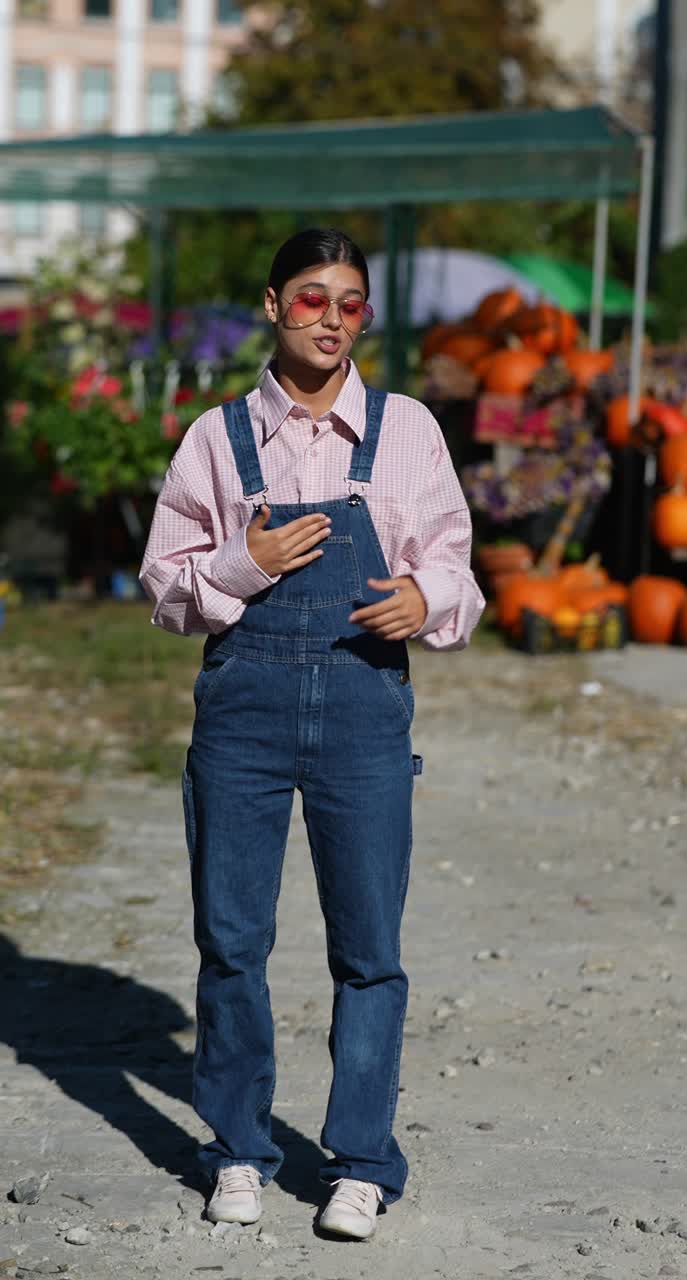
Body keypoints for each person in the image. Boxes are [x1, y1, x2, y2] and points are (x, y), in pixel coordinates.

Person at [140, 228, 483, 1240]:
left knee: (369, 947)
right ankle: (239, 1147)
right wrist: (242, 564)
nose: (331, 318)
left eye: (350, 302)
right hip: (241, 716)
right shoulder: (216, 437)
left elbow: (457, 569)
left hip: (366, 708)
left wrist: (424, 598)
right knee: (231, 941)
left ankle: (361, 1162)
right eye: (311, 299)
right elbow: (165, 587)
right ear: (273, 305)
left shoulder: (408, 430)